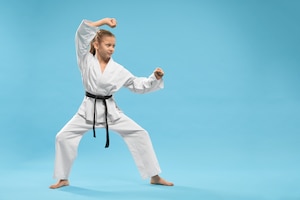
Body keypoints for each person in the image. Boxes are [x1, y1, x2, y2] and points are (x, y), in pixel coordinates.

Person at [49, 17, 174, 189]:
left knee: (140, 134)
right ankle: (63, 178)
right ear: (96, 45)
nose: (112, 49)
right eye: (108, 45)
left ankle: (154, 176)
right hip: (87, 110)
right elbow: (81, 35)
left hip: (110, 112)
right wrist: (102, 22)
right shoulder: (85, 60)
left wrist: (154, 78)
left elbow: (138, 85)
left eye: (114, 46)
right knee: (63, 137)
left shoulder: (118, 70)